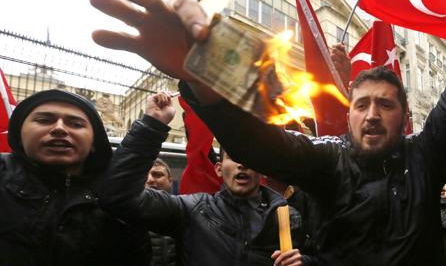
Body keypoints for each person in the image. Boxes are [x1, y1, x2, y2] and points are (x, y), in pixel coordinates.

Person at [89, 0, 446, 264]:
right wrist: (201, 75)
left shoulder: (426, 155)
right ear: (347, 116)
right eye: (361, 104)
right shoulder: (327, 160)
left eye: (385, 105)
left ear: (404, 118)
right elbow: (257, 144)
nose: (372, 114)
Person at [99, 92, 315, 265]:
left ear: (261, 169)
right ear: (219, 169)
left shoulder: (289, 216)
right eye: (234, 157)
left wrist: (304, 262)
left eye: (250, 158)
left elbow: (326, 256)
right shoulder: (193, 210)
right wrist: (152, 125)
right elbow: (119, 197)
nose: (243, 163)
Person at [0, 89, 151, 265]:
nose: (59, 128)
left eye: (76, 124)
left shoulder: (119, 201)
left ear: (94, 143)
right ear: (19, 135)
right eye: (44, 120)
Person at [146, 159, 177, 266]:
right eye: (144, 175)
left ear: (170, 181)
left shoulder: (184, 213)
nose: (149, 180)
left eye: (157, 175)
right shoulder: (125, 216)